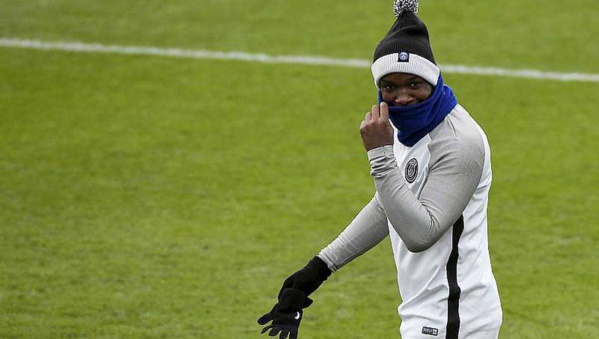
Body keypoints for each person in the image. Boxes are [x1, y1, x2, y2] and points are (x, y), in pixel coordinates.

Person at [257, 1, 502, 338]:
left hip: (453, 316)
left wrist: (380, 154)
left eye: (414, 84)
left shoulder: (460, 143)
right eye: (390, 86)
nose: (402, 97)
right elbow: (389, 204)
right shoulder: (405, 126)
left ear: (433, 78)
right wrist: (316, 271)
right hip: (430, 311)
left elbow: (420, 233)